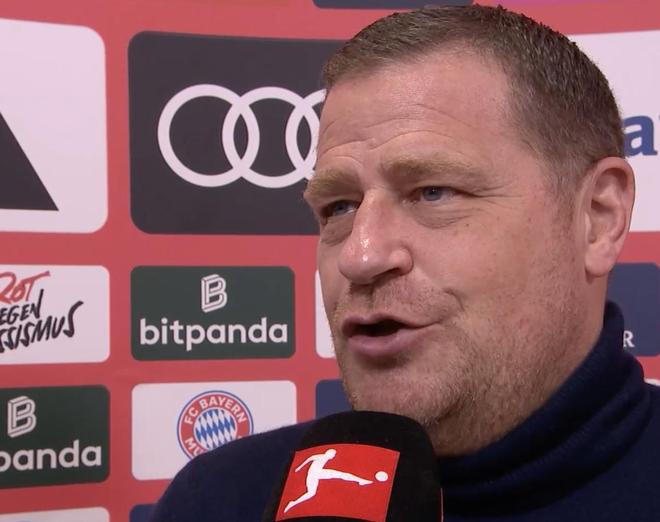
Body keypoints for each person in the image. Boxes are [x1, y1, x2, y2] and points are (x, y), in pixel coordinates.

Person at [150, 5, 660, 521]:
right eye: (339, 207)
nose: (361, 256)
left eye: (432, 192)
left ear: (598, 218)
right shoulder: (218, 499)